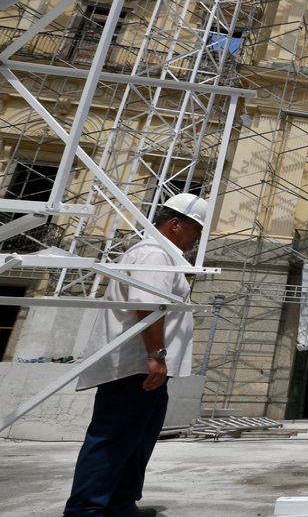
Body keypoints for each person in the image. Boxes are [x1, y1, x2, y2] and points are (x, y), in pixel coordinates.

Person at [65, 193, 208, 517]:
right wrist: (156, 355)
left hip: (147, 368)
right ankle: (86, 510)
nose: (196, 239)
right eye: (195, 231)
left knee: (137, 441)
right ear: (175, 224)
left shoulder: (164, 256)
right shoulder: (153, 253)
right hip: (135, 368)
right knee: (113, 439)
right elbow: (148, 303)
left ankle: (120, 504)